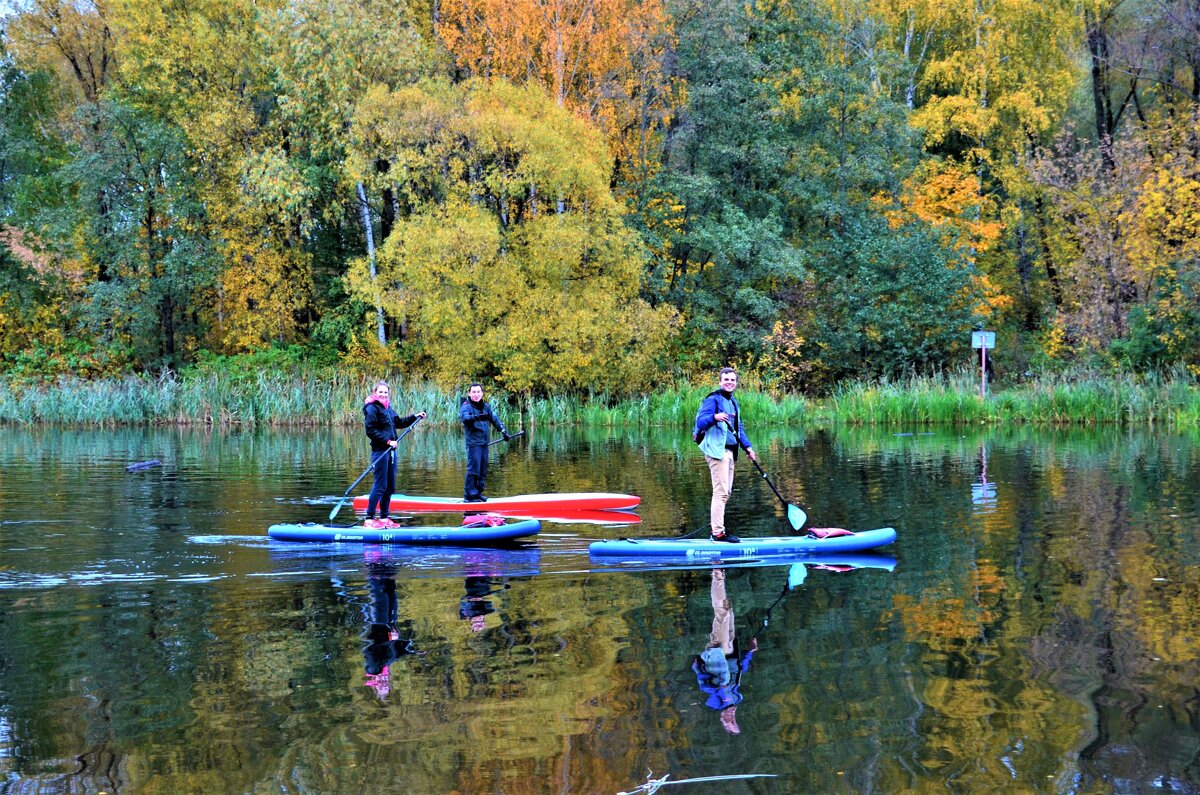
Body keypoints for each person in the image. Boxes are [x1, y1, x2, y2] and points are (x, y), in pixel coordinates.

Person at [692, 367, 756, 543]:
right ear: (720, 382)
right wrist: (715, 417)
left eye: (732, 380)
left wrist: (748, 447)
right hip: (716, 451)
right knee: (720, 492)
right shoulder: (713, 400)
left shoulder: (734, 402)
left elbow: (738, 429)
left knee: (726, 492)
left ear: (736, 383)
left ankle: (717, 530)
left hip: (730, 451)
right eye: (726, 379)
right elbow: (700, 421)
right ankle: (718, 533)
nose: (729, 382)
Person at [692, 568, 757, 734]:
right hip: (732, 649)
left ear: (723, 719)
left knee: (722, 612)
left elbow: (705, 685)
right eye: (734, 719)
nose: (732, 716)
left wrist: (718, 689)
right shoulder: (737, 698)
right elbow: (739, 672)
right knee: (728, 608)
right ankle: (720, 574)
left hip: (718, 652)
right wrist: (750, 652)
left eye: (729, 720)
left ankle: (717, 573)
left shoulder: (716, 703)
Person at [363, 381, 426, 529]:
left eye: (386, 392)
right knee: (380, 485)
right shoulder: (372, 408)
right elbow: (370, 431)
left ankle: (384, 517)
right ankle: (369, 518)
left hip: (391, 453)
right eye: (381, 392)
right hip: (380, 451)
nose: (383, 395)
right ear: (375, 393)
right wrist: (387, 442)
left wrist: (415, 416)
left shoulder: (387, 408)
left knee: (390, 486)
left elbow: (398, 422)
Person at [459, 383, 509, 502]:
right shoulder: (465, 406)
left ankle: (478, 493)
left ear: (482, 393)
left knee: (482, 469)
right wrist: (475, 417)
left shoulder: (485, 406)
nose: (476, 394)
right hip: (473, 443)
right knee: (474, 469)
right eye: (474, 392)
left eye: (478, 392)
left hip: (484, 443)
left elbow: (494, 419)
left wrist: (503, 431)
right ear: (469, 394)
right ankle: (469, 496)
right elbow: (465, 418)